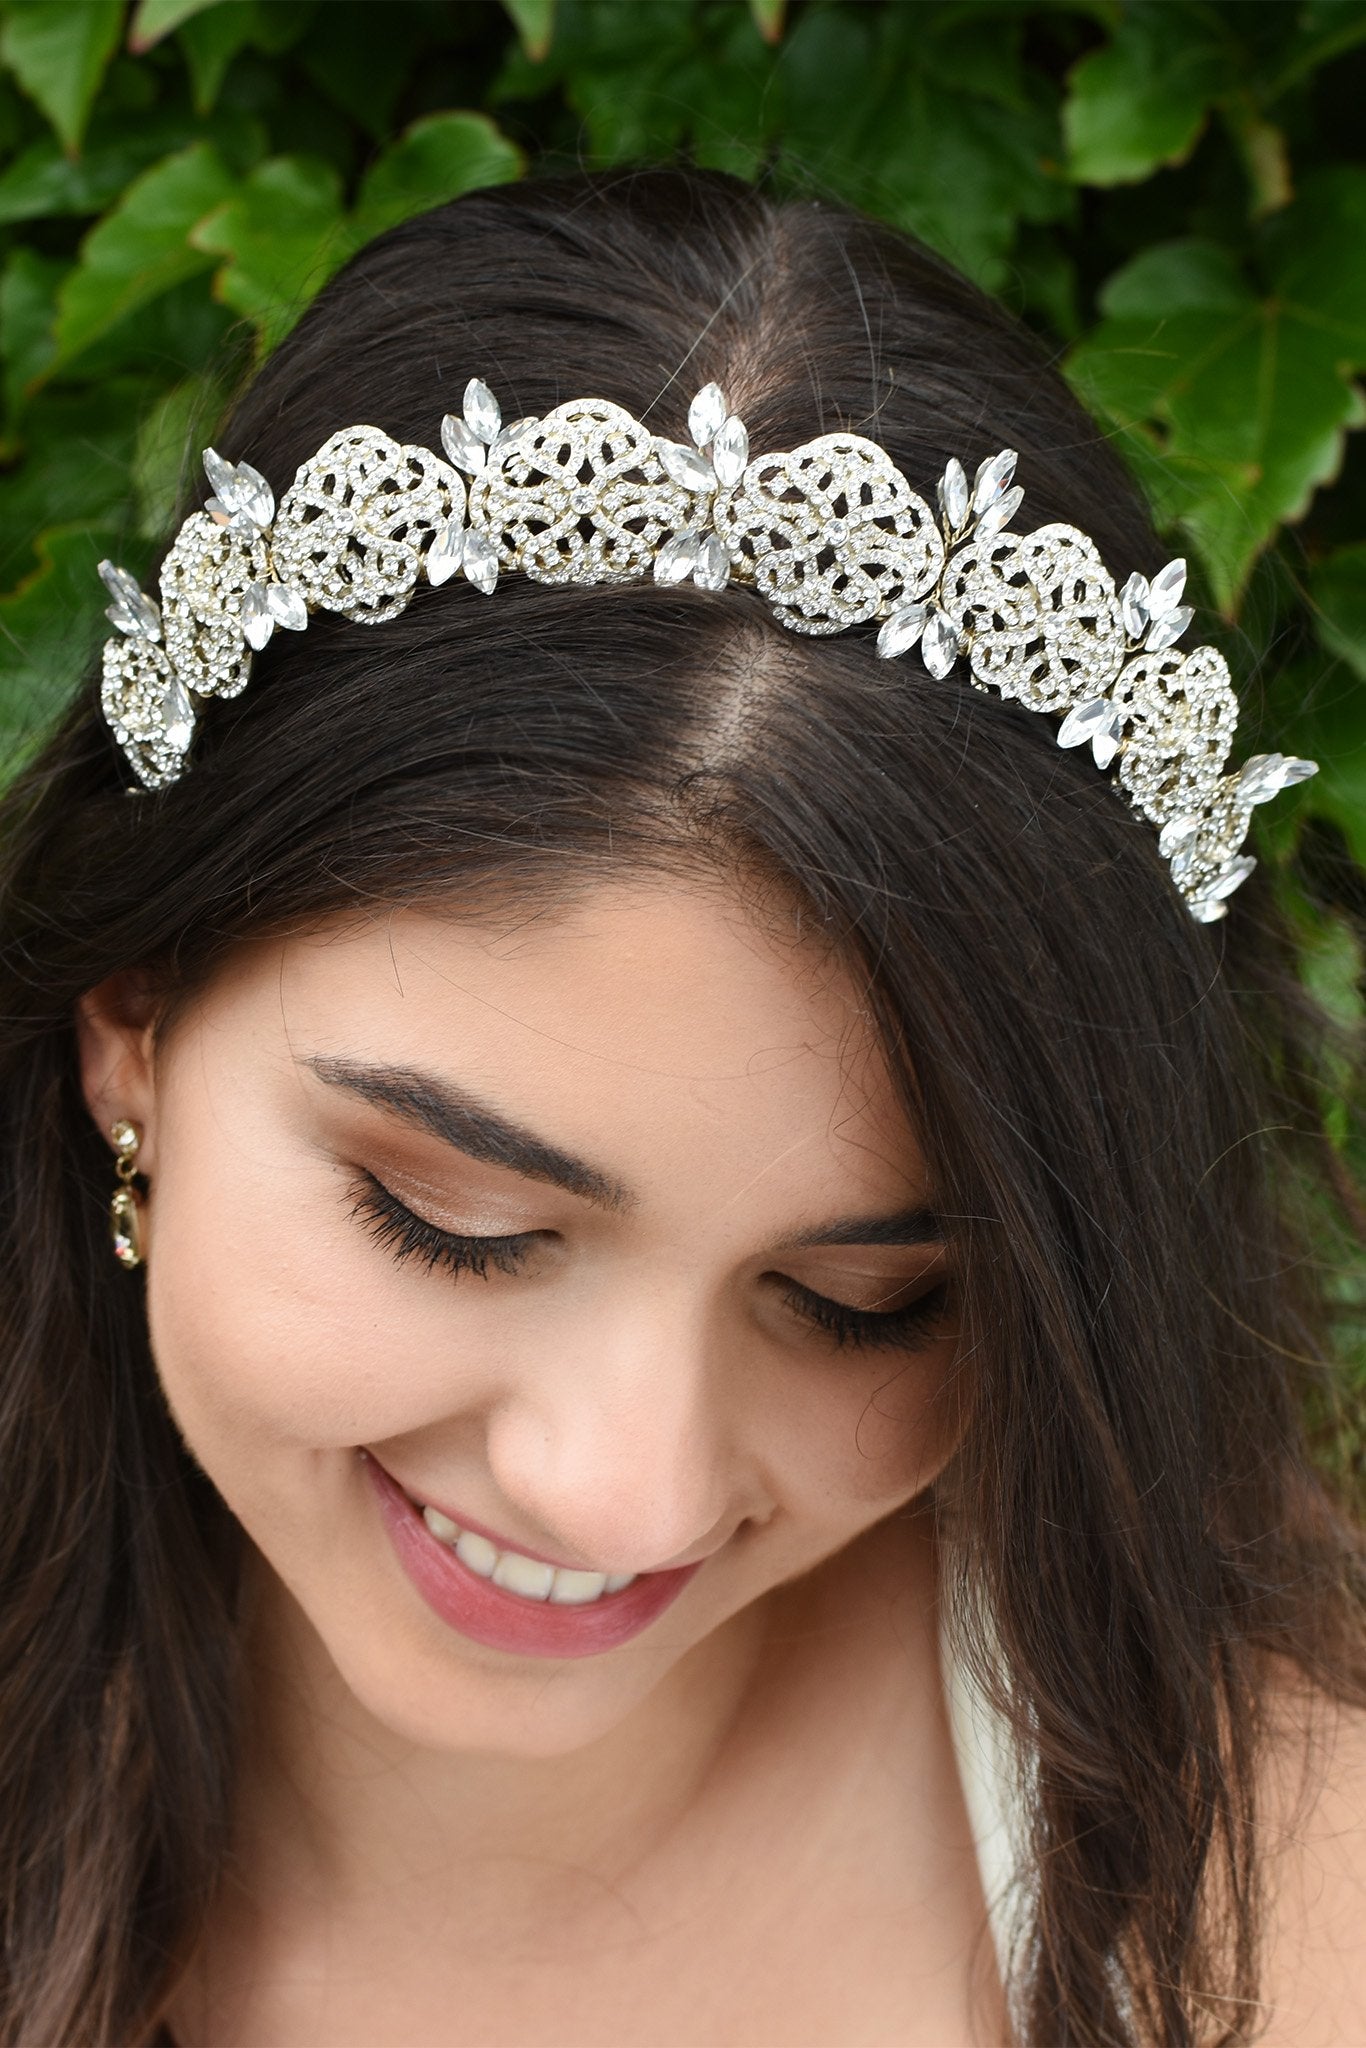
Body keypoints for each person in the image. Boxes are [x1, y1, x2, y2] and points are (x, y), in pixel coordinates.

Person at [0, 162, 1362, 2048]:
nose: (622, 1490)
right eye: (453, 1226)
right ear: (131, 1022)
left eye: (862, 1303)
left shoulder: (1299, 1907)